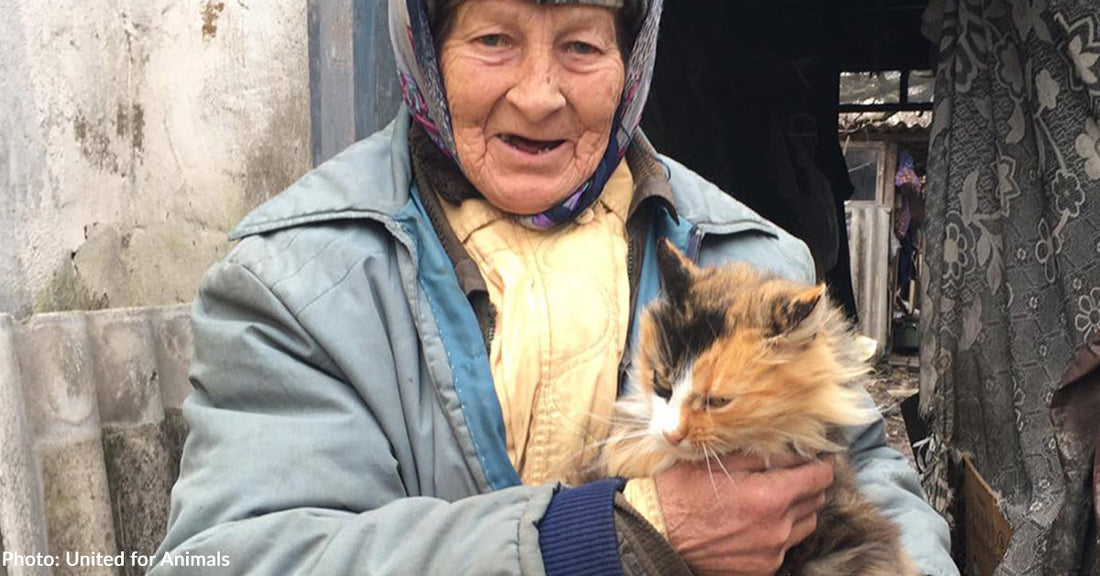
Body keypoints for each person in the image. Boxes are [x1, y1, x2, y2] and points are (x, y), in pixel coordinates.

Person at [152, 0, 958, 575]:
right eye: (495, 38)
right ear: (426, 51)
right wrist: (605, 539)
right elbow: (231, 558)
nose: (539, 94)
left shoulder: (751, 260)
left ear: (632, 62)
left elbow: (867, 478)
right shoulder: (296, 284)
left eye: (581, 45)